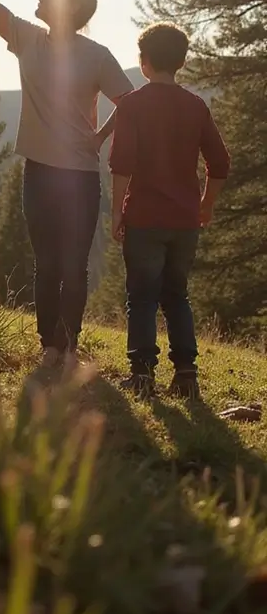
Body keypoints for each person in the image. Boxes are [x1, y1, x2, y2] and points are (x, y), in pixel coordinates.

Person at [0, 0, 133, 371]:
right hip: (42, 171)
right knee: (50, 262)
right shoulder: (28, 38)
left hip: (77, 175)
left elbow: (130, 103)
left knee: (68, 263)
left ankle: (66, 345)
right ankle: (50, 345)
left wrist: (99, 136)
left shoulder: (96, 55)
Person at [109, 23, 230, 400]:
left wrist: (116, 214)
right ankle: (186, 374)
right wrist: (205, 206)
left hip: (144, 218)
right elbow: (220, 162)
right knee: (177, 295)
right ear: (181, 61)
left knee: (142, 297)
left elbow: (122, 165)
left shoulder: (132, 104)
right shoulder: (195, 106)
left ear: (143, 63)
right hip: (184, 221)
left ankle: (142, 375)